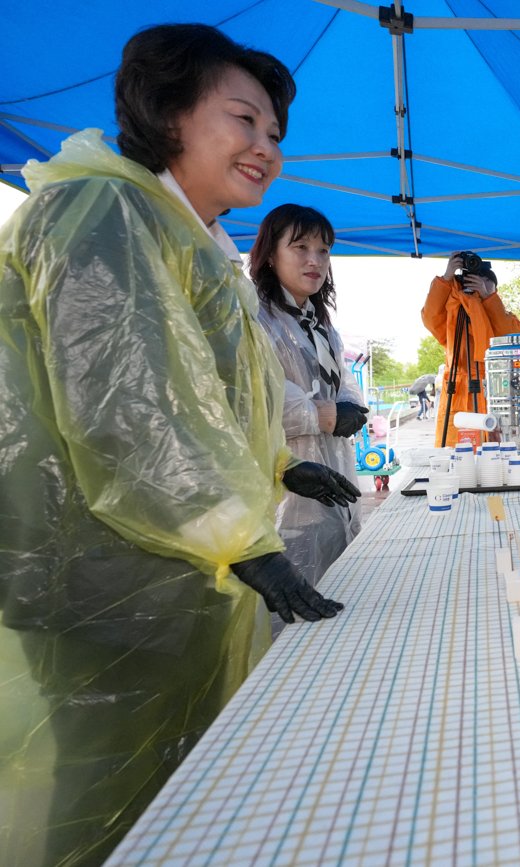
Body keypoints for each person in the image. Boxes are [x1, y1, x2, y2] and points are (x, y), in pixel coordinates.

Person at [0, 24, 354, 866]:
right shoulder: (99, 208)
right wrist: (241, 534)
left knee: (181, 795)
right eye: (243, 119)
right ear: (167, 114)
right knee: (109, 808)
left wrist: (276, 463)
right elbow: (124, 407)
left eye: (275, 133)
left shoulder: (186, 235)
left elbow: (204, 396)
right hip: (102, 577)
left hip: (173, 568)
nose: (265, 148)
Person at [250, 204, 368, 605]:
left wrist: (350, 407)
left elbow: (347, 383)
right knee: (291, 613)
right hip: (286, 491)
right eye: (300, 247)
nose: (314, 260)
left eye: (324, 250)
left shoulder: (320, 325)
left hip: (332, 481)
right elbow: (253, 396)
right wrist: (327, 414)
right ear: (270, 254)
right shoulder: (255, 318)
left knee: (336, 591)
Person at [421, 252, 520, 446]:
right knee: (456, 458)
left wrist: (487, 299)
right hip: (457, 394)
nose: (480, 285)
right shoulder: (453, 317)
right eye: (475, 279)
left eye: (486, 282)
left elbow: (510, 338)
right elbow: (430, 318)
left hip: (494, 392)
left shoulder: (504, 316)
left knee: (495, 460)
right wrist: (446, 279)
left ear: (495, 288)